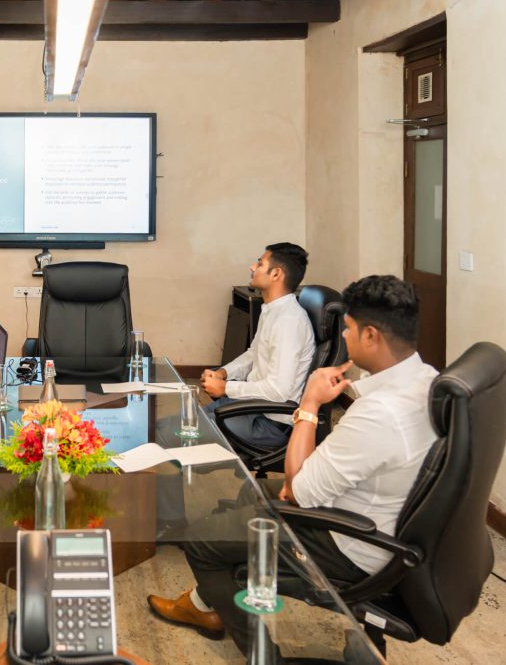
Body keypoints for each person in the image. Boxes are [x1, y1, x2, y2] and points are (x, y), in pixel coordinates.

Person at [148, 275, 439, 654]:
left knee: (202, 541)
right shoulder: (430, 380)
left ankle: (262, 654)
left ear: (371, 336)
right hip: (387, 524)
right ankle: (205, 601)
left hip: (350, 546)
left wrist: (311, 405)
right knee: (249, 496)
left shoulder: (378, 414)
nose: (343, 339)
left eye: (348, 330)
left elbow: (296, 491)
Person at [200, 242, 315, 448]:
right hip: (251, 408)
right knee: (183, 419)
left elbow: (279, 391)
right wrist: (224, 373)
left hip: (269, 423)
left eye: (260, 263)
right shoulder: (273, 310)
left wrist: (226, 387)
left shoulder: (289, 321)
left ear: (276, 274)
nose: (252, 267)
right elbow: (254, 354)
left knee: (178, 432)